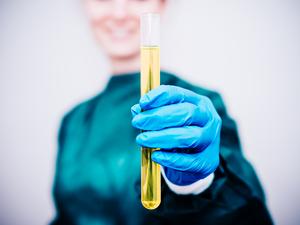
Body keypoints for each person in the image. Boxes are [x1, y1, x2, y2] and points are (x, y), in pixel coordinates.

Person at [51, 0, 273, 224]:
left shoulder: (194, 109)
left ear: (162, 6)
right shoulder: (74, 121)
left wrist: (199, 185)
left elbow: (245, 210)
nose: (119, 12)